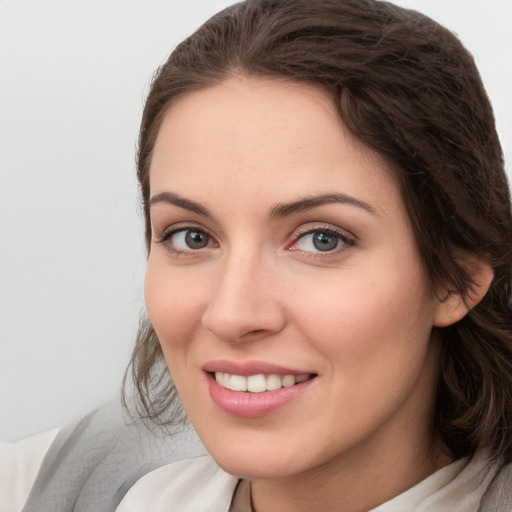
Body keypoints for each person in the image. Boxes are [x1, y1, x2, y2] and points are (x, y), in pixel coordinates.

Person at [4, 0, 512, 510]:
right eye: (192, 237)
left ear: (458, 278)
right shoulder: (71, 478)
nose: (232, 314)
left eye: (321, 239)